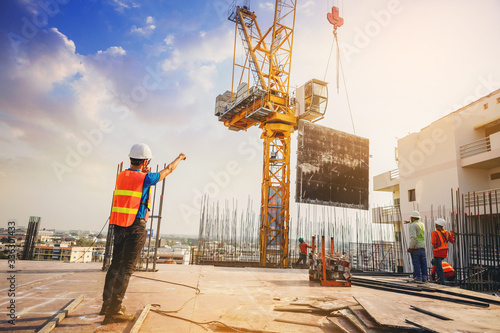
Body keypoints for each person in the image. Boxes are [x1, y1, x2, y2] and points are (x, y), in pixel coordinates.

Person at [100, 143, 186, 324]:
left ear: (131, 159)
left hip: (119, 225)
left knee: (115, 265)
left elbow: (134, 183)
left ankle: (107, 305)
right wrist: (180, 158)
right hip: (135, 226)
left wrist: (142, 171)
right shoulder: (146, 178)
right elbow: (168, 170)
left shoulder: (121, 175)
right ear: (146, 161)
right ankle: (114, 311)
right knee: (127, 269)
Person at [431, 218, 455, 285]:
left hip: (437, 252)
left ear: (438, 225)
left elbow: (433, 242)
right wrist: (452, 233)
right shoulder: (447, 232)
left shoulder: (435, 232)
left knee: (439, 267)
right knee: (439, 266)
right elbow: (452, 241)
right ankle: (441, 279)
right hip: (444, 252)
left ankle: (443, 281)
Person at [405, 210, 428, 283]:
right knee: (423, 263)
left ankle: (418, 277)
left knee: (416, 263)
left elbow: (413, 237)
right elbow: (415, 224)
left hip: (415, 247)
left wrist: (410, 247)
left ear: (412, 218)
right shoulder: (422, 224)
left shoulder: (412, 225)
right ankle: (425, 277)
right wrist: (409, 222)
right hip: (422, 247)